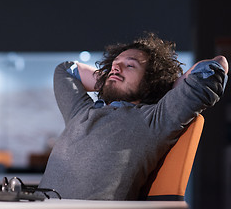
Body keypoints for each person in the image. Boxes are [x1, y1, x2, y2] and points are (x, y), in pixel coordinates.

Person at [38, 33, 229, 200]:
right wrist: (109, 80)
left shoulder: (155, 119)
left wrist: (164, 88)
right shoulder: (80, 111)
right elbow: (65, 70)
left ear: (151, 79)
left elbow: (216, 66)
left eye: (130, 65)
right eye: (114, 65)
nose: (115, 68)